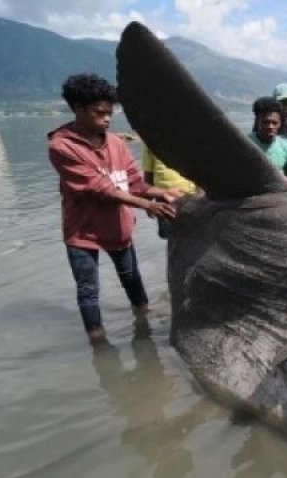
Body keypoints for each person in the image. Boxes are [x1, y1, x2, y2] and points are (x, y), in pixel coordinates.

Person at [48, 73, 181, 344]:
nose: (107, 119)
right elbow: (101, 188)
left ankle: (144, 321)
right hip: (83, 231)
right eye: (100, 113)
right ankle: (98, 342)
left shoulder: (117, 142)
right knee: (88, 290)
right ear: (77, 108)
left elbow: (132, 181)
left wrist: (161, 192)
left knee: (132, 277)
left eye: (110, 112)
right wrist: (147, 205)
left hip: (117, 225)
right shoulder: (61, 146)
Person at [141, 142, 197, 238]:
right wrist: (148, 203)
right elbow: (148, 175)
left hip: (191, 196)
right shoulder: (150, 142)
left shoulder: (190, 138)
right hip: (164, 200)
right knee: (171, 235)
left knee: (195, 233)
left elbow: (200, 168)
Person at [248, 96, 287, 182]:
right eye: (266, 122)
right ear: (257, 121)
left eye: (274, 123)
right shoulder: (247, 143)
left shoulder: (286, 147)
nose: (270, 127)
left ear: (280, 124)